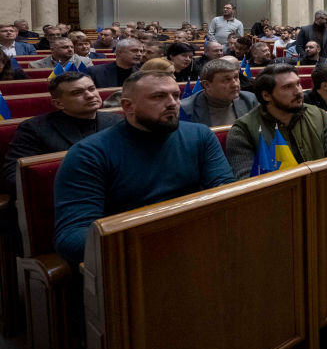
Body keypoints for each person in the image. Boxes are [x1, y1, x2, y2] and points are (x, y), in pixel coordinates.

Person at [53, 70, 236, 265]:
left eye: (175, 95)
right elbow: (72, 236)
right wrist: (156, 243)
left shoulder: (200, 135)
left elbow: (224, 189)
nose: (172, 103)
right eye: (158, 96)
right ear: (128, 106)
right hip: (133, 257)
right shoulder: (89, 154)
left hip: (196, 244)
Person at [3, 74, 122, 198]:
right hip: (67, 198)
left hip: (116, 192)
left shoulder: (116, 120)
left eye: (92, 89)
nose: (90, 95)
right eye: (77, 93)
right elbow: (14, 177)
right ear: (59, 104)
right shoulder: (34, 128)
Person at [225, 64, 327, 179]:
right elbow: (246, 181)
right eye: (287, 87)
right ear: (266, 95)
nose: (298, 91)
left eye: (298, 84)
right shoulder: (242, 131)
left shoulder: (319, 115)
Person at [177, 58, 256, 126]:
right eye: (226, 80)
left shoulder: (250, 100)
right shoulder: (185, 109)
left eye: (236, 77)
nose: (235, 84)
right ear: (207, 85)